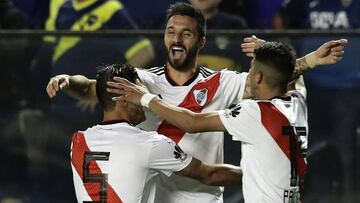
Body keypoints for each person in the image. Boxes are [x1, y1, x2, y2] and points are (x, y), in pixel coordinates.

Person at [46, 3, 347, 203]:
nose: (176, 39)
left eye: (186, 33)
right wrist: (67, 81)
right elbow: (92, 89)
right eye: (171, 32)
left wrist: (310, 61)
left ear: (201, 41)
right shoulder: (142, 81)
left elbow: (269, 78)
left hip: (202, 199)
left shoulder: (222, 82)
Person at [107, 41, 331, 202]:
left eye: (252, 70)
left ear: (259, 77)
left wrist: (144, 97)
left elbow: (192, 122)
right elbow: (295, 78)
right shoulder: (298, 101)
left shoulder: (255, 113)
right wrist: (290, 58)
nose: (249, 74)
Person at [72, 63, 242, 202]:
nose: (142, 102)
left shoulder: (78, 141)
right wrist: (255, 172)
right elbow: (210, 175)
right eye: (137, 94)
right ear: (124, 99)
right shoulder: (150, 144)